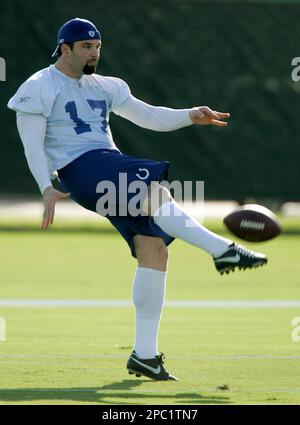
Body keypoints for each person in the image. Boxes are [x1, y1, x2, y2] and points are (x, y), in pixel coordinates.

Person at [8, 18, 267, 381]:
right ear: (64, 48)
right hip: (81, 169)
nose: (95, 53)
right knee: (156, 192)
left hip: (107, 163)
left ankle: (144, 355)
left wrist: (190, 116)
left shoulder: (107, 85)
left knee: (154, 248)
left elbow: (149, 116)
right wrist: (44, 187)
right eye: (86, 47)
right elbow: (32, 144)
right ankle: (222, 249)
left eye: (98, 46)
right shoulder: (39, 85)